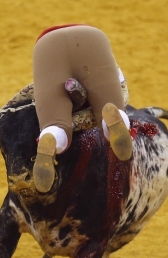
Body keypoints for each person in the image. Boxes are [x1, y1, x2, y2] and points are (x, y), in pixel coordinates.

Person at [31, 24, 132, 193]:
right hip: (92, 38)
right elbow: (123, 88)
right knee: (112, 104)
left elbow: (26, 96)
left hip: (46, 47)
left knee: (54, 123)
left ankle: (51, 136)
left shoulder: (45, 47)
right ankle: (113, 121)